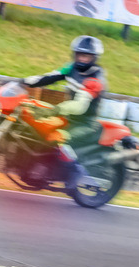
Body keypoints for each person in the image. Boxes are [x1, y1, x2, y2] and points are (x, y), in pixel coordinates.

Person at [22, 35, 107, 189]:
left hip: (85, 124)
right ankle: (38, 169)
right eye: (79, 55)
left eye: (86, 56)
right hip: (68, 118)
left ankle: (76, 175)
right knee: (37, 126)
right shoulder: (71, 68)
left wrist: (56, 110)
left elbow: (80, 106)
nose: (82, 59)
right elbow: (49, 77)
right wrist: (23, 81)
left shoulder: (95, 80)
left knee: (58, 139)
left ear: (94, 58)